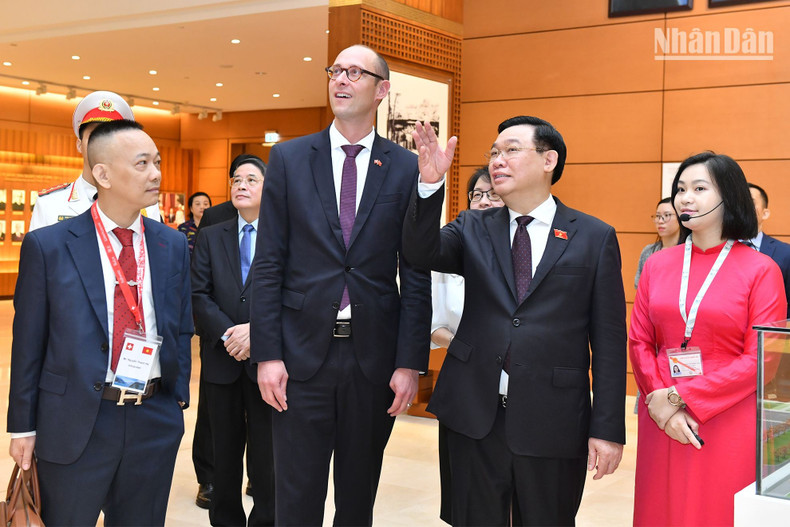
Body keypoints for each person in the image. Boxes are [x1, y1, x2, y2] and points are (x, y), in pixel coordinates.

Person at [403, 115, 627, 526]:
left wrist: (608, 428)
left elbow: (610, 342)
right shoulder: (472, 227)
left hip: (553, 417)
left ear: (548, 160)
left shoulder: (594, 237)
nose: (496, 161)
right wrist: (430, 185)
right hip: (473, 414)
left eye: (510, 150)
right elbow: (420, 253)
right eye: (493, 152)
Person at [250, 44, 431, 526]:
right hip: (299, 358)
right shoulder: (289, 159)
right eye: (336, 71)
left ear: (382, 90)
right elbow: (268, 264)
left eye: (355, 72)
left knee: (357, 501)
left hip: (371, 361)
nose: (341, 80)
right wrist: (268, 354)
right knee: (296, 499)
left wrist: (410, 361)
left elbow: (414, 271)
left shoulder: (405, 167)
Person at [7, 119, 193, 526]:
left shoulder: (172, 244)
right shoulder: (50, 246)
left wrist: (176, 400)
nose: (156, 173)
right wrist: (22, 426)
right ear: (102, 174)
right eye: (142, 163)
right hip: (75, 420)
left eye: (157, 162)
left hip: (152, 418)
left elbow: (181, 325)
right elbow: (29, 342)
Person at [629, 152, 786, 527]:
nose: (685, 198)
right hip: (661, 413)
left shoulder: (761, 269)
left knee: (715, 512)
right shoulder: (657, 264)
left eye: (699, 188)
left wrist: (681, 397)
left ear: (729, 196)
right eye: (681, 189)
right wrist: (662, 400)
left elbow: (763, 358)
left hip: (727, 412)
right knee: (660, 509)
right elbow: (638, 340)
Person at [191, 154, 275, 526]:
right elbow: (198, 294)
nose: (241, 185)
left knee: (268, 455)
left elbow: (294, 296)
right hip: (222, 361)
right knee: (223, 455)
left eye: (251, 180)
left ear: (267, 188)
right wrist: (230, 333)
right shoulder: (210, 236)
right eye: (236, 179)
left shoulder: (284, 235)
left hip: (268, 363)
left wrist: (257, 331)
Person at [431, 166, 505, 525]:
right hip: (465, 385)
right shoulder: (451, 248)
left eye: (492, 194)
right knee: (468, 501)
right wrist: (474, 346)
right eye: (477, 194)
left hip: (521, 391)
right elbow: (432, 327)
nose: (484, 201)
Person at [30, 90, 160, 231]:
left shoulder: (145, 203)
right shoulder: (50, 203)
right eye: (95, 136)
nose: (104, 144)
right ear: (79, 145)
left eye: (112, 137)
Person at [746, 183, 790, 317]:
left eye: (750, 201)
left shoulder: (785, 253)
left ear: (765, 213)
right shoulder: (721, 250)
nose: (743, 206)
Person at [634, 197, 682, 288]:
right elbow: (640, 287)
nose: (660, 221)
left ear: (680, 218)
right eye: (658, 216)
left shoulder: (690, 251)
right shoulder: (648, 251)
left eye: (667, 215)